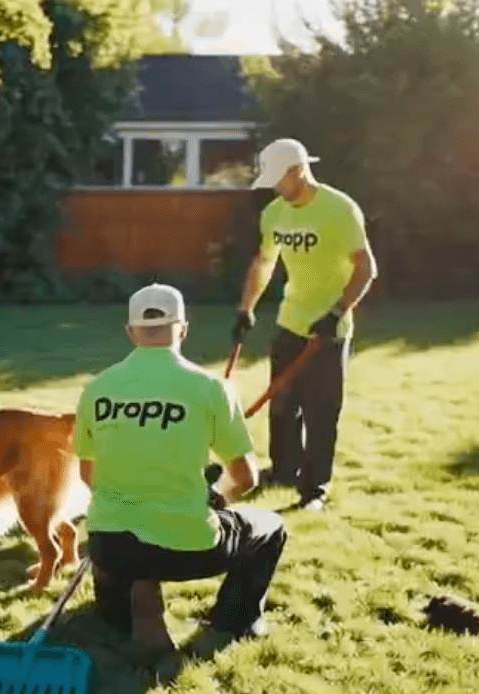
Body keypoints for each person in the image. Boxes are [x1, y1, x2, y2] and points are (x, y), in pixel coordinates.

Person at [75, 283, 289, 660]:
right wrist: (218, 497)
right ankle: (235, 621)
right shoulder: (212, 388)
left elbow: (88, 476)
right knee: (270, 527)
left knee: (122, 546)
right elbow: (246, 478)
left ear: (130, 332)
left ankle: (125, 609)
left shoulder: (97, 388)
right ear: (184, 329)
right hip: (187, 548)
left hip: (110, 544)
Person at [233, 138, 378, 512]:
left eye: (278, 178)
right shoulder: (275, 213)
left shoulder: (339, 209)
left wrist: (336, 313)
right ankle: (282, 471)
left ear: (298, 171)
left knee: (321, 410)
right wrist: (245, 308)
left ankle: (315, 489)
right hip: (291, 318)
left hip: (329, 328)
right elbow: (264, 262)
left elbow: (366, 269)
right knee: (281, 401)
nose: (274, 187)